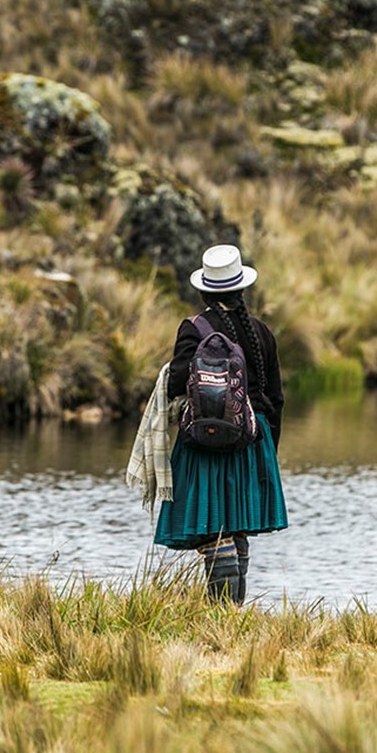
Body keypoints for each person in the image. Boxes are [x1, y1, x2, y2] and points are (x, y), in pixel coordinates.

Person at [153, 244, 287, 604]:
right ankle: (232, 616)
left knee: (214, 532)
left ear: (204, 291)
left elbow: (176, 383)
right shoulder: (261, 333)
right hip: (253, 438)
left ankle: (220, 617)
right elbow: (275, 400)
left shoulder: (194, 328)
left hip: (206, 437)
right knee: (237, 529)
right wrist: (267, 449)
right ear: (242, 288)